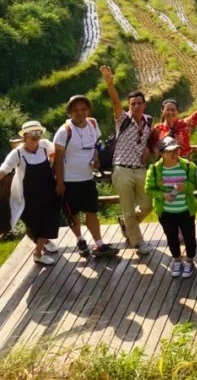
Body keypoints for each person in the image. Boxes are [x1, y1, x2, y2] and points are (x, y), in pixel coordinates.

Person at [101, 65, 157, 256]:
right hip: (122, 169)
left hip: (140, 169)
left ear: (144, 105)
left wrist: (149, 149)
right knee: (128, 209)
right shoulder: (122, 119)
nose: (136, 106)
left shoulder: (148, 121)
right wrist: (110, 83)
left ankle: (127, 225)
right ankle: (137, 242)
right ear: (128, 105)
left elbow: (149, 140)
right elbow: (115, 102)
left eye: (139, 103)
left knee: (148, 205)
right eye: (132, 104)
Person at [53, 95, 117, 258]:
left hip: (88, 178)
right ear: (69, 113)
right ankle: (80, 240)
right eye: (75, 110)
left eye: (83, 109)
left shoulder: (92, 124)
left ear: (88, 110)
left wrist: (96, 158)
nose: (80, 113)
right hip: (69, 181)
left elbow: (96, 145)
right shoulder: (64, 131)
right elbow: (57, 160)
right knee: (73, 214)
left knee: (91, 212)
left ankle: (99, 244)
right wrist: (60, 182)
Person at [1, 121, 60, 265]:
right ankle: (43, 241)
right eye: (32, 133)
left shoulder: (45, 146)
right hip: (28, 197)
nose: (36, 136)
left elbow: (59, 153)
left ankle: (38, 253)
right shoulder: (18, 153)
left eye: (38, 133)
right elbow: (5, 168)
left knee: (47, 221)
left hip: (48, 192)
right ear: (25, 136)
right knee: (35, 224)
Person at [146, 137, 197, 278]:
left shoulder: (188, 166)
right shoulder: (155, 169)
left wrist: (185, 186)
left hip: (186, 210)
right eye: (170, 151)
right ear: (162, 153)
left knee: (190, 237)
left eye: (177, 150)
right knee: (171, 237)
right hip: (166, 212)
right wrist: (162, 196)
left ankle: (190, 261)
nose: (174, 153)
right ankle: (176, 260)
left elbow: (194, 185)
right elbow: (149, 189)